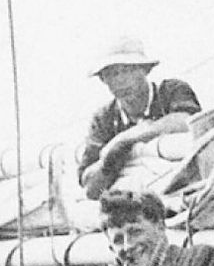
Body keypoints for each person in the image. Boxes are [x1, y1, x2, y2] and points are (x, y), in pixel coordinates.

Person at [77, 36, 202, 198]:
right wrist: (112, 158)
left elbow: (188, 121)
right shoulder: (104, 119)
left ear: (145, 70)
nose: (120, 80)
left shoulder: (171, 91)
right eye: (112, 74)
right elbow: (90, 186)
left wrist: (128, 138)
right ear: (103, 80)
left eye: (128, 70)